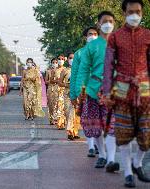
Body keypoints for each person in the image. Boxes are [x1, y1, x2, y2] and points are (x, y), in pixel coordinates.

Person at [102, 0, 150, 187]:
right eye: (131, 12)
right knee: (123, 133)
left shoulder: (147, 35)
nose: (135, 15)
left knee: (146, 135)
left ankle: (137, 163)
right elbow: (108, 66)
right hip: (121, 89)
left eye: (138, 12)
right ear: (124, 13)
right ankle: (129, 173)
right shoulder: (115, 37)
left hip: (144, 90)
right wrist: (106, 92)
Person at [76, 11, 120, 172]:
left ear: (114, 23)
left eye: (111, 21)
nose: (108, 24)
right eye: (104, 21)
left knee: (112, 126)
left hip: (114, 91)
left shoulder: (119, 43)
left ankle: (111, 159)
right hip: (93, 91)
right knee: (96, 126)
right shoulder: (91, 47)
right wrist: (78, 90)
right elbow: (83, 69)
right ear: (99, 24)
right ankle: (102, 155)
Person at [70, 27, 99, 156]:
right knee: (87, 118)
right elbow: (74, 74)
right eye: (90, 34)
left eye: (95, 34)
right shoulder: (79, 54)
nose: (92, 36)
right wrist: (73, 94)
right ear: (85, 37)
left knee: (100, 119)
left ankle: (98, 144)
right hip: (83, 92)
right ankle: (91, 146)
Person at [59, 52, 80, 140]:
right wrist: (67, 85)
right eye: (70, 58)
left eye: (74, 58)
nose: (72, 59)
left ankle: (74, 132)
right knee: (68, 112)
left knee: (76, 113)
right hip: (67, 94)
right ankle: (70, 131)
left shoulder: (80, 69)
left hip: (77, 94)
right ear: (68, 60)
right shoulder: (64, 70)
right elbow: (59, 82)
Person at [55, 55, 66, 129]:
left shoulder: (66, 70)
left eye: (62, 59)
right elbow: (51, 80)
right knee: (59, 106)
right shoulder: (54, 70)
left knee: (65, 107)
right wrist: (58, 80)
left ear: (64, 60)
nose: (60, 60)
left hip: (65, 90)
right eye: (59, 59)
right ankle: (60, 123)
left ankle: (64, 121)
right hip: (57, 90)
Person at [46, 58, 58, 125]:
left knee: (57, 104)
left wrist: (57, 81)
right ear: (51, 63)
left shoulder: (60, 71)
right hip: (50, 89)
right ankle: (51, 118)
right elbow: (46, 81)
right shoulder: (48, 71)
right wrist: (51, 81)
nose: (55, 64)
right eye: (53, 62)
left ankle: (56, 119)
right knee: (51, 104)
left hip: (58, 89)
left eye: (56, 62)